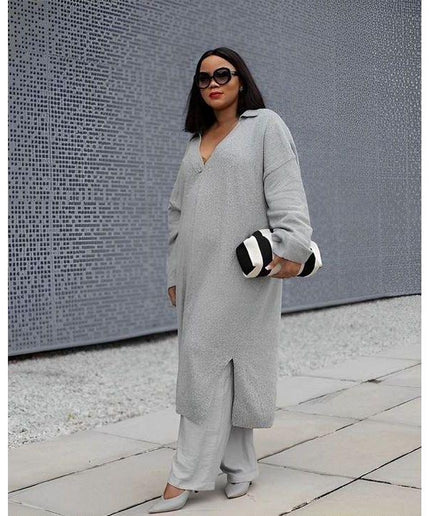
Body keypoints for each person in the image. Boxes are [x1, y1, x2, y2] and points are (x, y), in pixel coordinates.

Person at [149, 46, 314, 513]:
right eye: (204, 78)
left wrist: (292, 249)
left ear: (241, 79)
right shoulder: (196, 140)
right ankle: (240, 466)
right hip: (197, 275)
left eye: (223, 74)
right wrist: (174, 273)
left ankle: (184, 476)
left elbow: (288, 193)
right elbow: (177, 213)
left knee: (204, 360)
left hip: (244, 271)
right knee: (230, 365)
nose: (213, 84)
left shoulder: (265, 126)